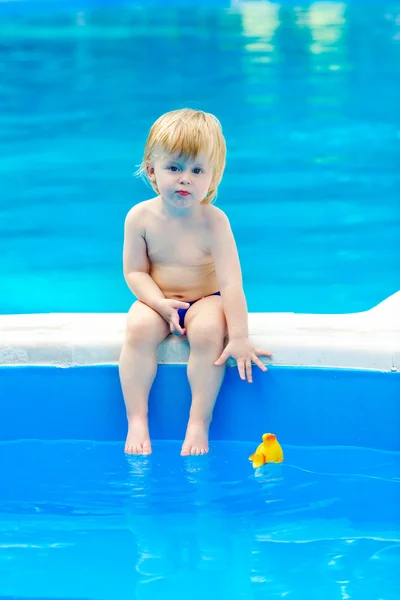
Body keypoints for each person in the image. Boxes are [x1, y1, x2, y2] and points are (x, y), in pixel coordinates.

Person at [119, 108, 271, 456]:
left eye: (196, 170)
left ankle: (198, 422)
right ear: (151, 169)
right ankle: (137, 418)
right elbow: (135, 273)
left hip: (206, 298)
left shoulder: (214, 222)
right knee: (138, 329)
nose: (185, 178)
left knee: (207, 334)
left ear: (213, 178)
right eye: (174, 167)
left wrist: (241, 337)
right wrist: (158, 303)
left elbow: (232, 284)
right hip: (159, 300)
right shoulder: (139, 217)